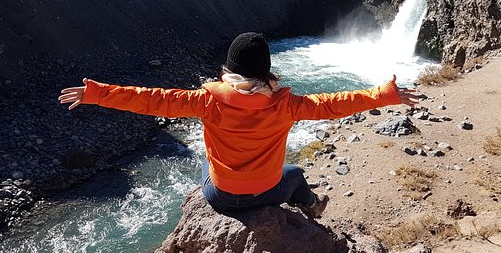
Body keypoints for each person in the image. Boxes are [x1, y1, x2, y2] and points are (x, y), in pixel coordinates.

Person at [58, 32, 420, 219]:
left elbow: (152, 98)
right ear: (266, 70)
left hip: (220, 196)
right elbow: (333, 104)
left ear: (228, 70)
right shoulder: (288, 106)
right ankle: (311, 206)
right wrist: (384, 94)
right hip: (268, 191)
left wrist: (96, 93)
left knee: (206, 161)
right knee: (293, 173)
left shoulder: (206, 101)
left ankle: (272, 195)